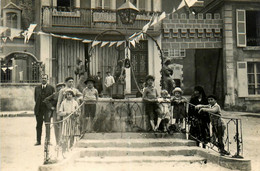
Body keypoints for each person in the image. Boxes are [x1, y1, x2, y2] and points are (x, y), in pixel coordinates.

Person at [34, 74, 55, 146]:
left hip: (47, 109)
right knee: (39, 125)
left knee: (47, 125)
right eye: (42, 78)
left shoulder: (51, 88)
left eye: (45, 78)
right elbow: (35, 99)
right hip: (39, 109)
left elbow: (53, 99)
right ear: (41, 79)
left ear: (47, 79)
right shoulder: (37, 88)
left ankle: (48, 141)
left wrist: (50, 107)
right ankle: (38, 141)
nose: (43, 80)